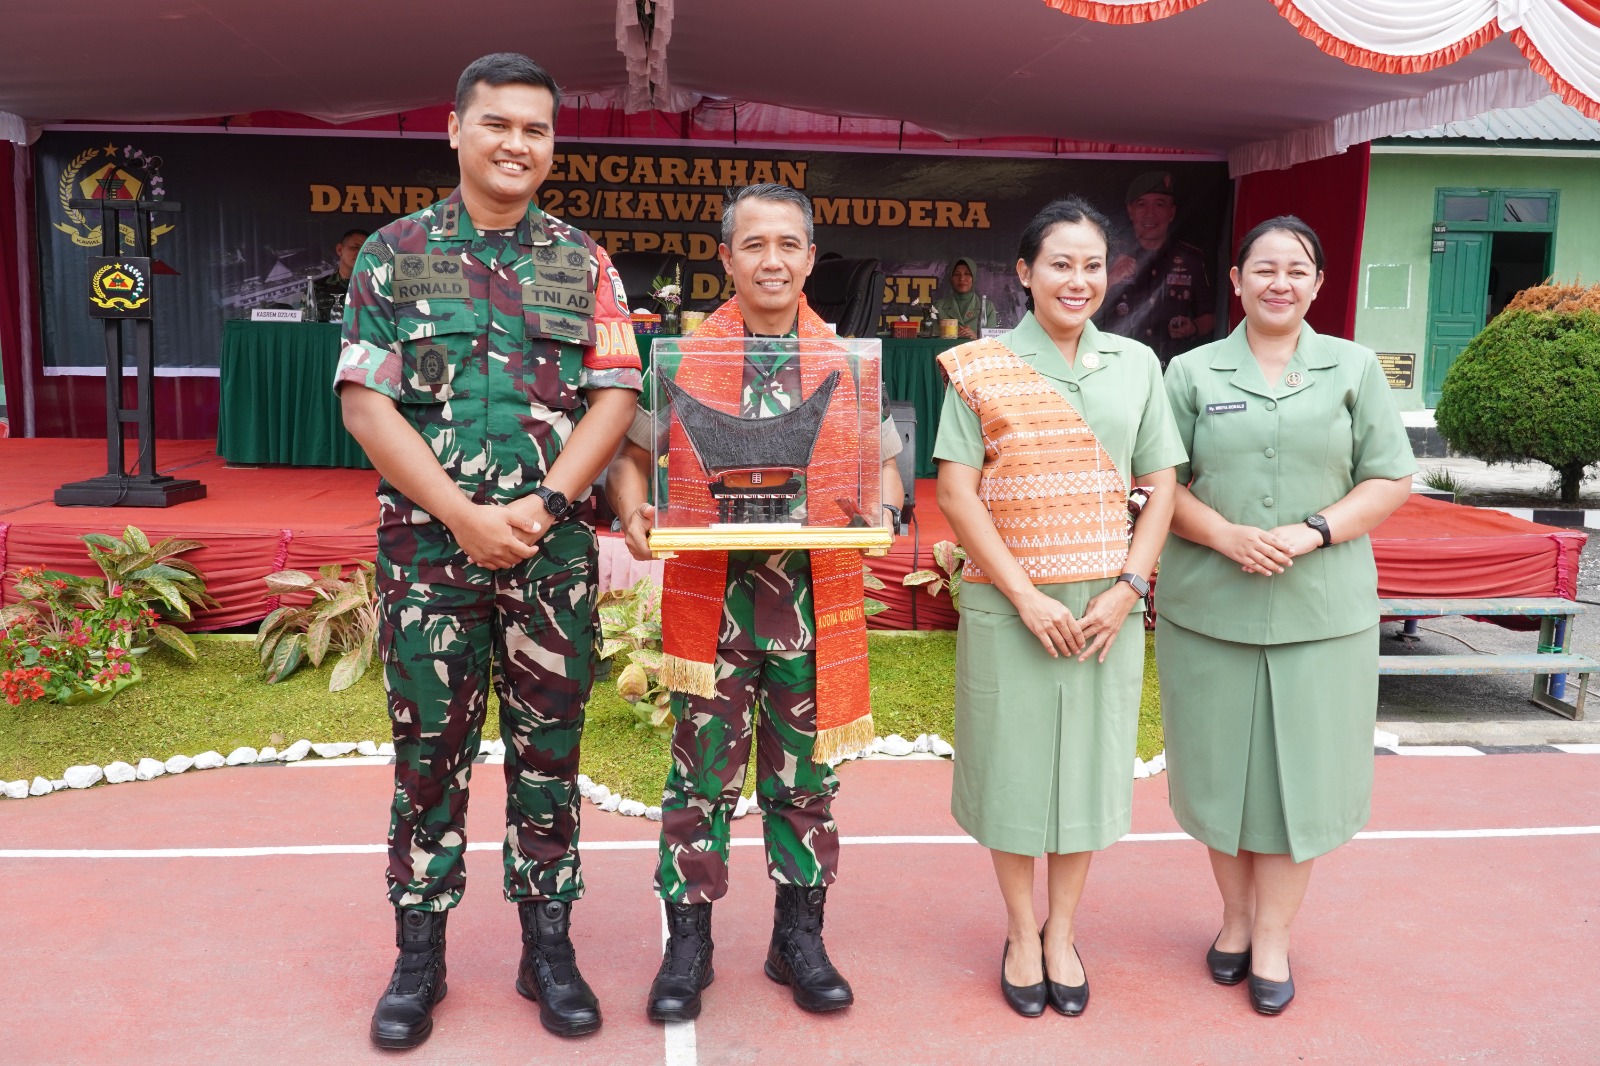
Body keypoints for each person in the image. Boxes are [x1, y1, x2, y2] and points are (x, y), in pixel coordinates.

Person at [336, 53, 641, 1049]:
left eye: (536, 129)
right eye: (498, 123)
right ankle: (417, 954)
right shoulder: (393, 253)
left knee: (550, 755)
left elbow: (615, 396)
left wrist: (546, 506)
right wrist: (464, 515)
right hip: (430, 555)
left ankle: (546, 947)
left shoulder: (582, 261)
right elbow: (366, 403)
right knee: (428, 756)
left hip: (549, 559)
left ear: (552, 146)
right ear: (457, 131)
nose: (517, 143)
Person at [606, 183, 903, 1024]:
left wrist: (881, 507)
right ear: (725, 259)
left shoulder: (847, 363)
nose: (772, 261)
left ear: (810, 260)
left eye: (788, 245)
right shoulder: (683, 360)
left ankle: (797, 941)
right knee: (699, 785)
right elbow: (631, 460)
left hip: (810, 617)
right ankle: (688, 945)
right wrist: (632, 510)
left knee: (805, 785)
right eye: (754, 245)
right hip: (715, 619)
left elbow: (883, 469)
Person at [1155, 216, 1414, 1016]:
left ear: (1319, 284)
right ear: (1235, 281)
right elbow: (1158, 484)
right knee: (1221, 780)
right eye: (1263, 268)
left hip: (1322, 614)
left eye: (1297, 269)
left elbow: (1390, 478)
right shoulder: (1191, 372)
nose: (1280, 282)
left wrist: (1314, 531)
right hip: (1211, 610)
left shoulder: (1354, 368)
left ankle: (1272, 936)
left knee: (1301, 782)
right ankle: (1234, 921)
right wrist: (1225, 535)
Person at [933, 197, 1184, 1018]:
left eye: (1093, 265)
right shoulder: (981, 365)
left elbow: (1162, 485)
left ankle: (1062, 932)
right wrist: (1025, 595)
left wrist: (1129, 588)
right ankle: (1018, 931)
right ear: (1025, 273)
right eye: (1061, 264)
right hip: (1011, 605)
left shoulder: (1137, 365)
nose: (1078, 280)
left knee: (1086, 772)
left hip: (1106, 610)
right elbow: (958, 493)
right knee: (1011, 771)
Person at [1098, 171, 1215, 367]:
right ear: (1130, 211)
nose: (1150, 214)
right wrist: (1109, 280)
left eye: (1159, 204)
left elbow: (1210, 317)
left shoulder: (1190, 259)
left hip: (1171, 370)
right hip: (1119, 366)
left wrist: (1193, 327)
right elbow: (1081, 312)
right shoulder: (1107, 256)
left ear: (1172, 212)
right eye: (1141, 205)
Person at [932, 257, 999, 340]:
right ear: (951, 278)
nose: (962, 278)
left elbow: (991, 342)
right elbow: (932, 342)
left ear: (974, 278)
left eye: (967, 274)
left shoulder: (987, 307)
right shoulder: (938, 307)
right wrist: (951, 335)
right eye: (957, 274)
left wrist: (975, 337)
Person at [311, 228, 369, 321]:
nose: (360, 253)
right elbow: (306, 323)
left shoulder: (379, 288)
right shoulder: (316, 288)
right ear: (339, 250)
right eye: (355, 247)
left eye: (366, 249)